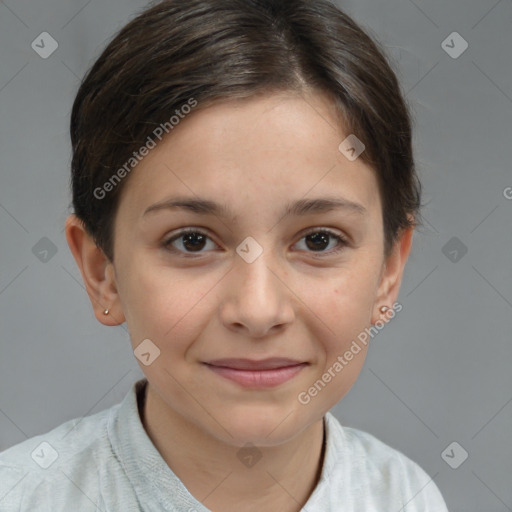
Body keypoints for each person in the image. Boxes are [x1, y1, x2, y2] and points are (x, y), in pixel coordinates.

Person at [0, 0, 450, 510]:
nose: (258, 312)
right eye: (192, 241)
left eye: (319, 240)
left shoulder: (407, 498)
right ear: (102, 272)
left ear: (389, 272)